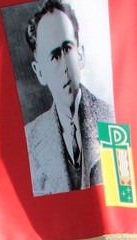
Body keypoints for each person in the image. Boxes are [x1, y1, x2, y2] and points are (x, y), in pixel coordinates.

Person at [23, 0, 115, 196]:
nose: (65, 66)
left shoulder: (113, 121)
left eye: (68, 49)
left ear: (80, 54)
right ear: (39, 72)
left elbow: (124, 195)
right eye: (55, 56)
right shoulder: (30, 140)